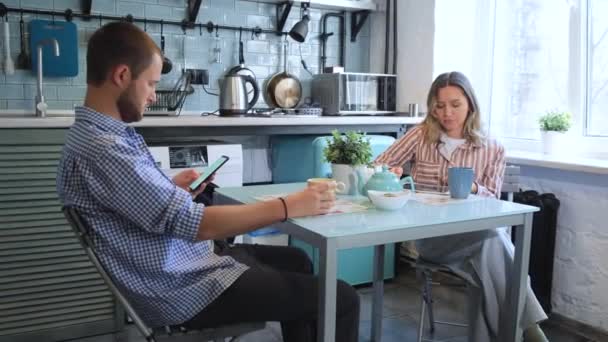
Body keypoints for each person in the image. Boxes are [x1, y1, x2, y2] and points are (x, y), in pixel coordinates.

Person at [56, 22, 359, 342]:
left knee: (297, 260)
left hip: (183, 266)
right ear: (121, 76)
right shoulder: (105, 149)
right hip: (182, 291)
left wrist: (173, 188)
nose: (153, 96)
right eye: (150, 84)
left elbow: (136, 205)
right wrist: (288, 205)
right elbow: (200, 225)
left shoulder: (104, 136)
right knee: (342, 298)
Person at [375, 71, 548, 342]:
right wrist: (391, 173)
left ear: (470, 105)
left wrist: (475, 188)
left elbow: (493, 199)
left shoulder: (491, 148)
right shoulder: (420, 136)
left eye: (455, 104)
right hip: (432, 238)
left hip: (477, 234)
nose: (447, 113)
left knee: (489, 254)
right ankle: (531, 330)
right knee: (495, 244)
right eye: (440, 105)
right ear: (432, 107)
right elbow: (378, 165)